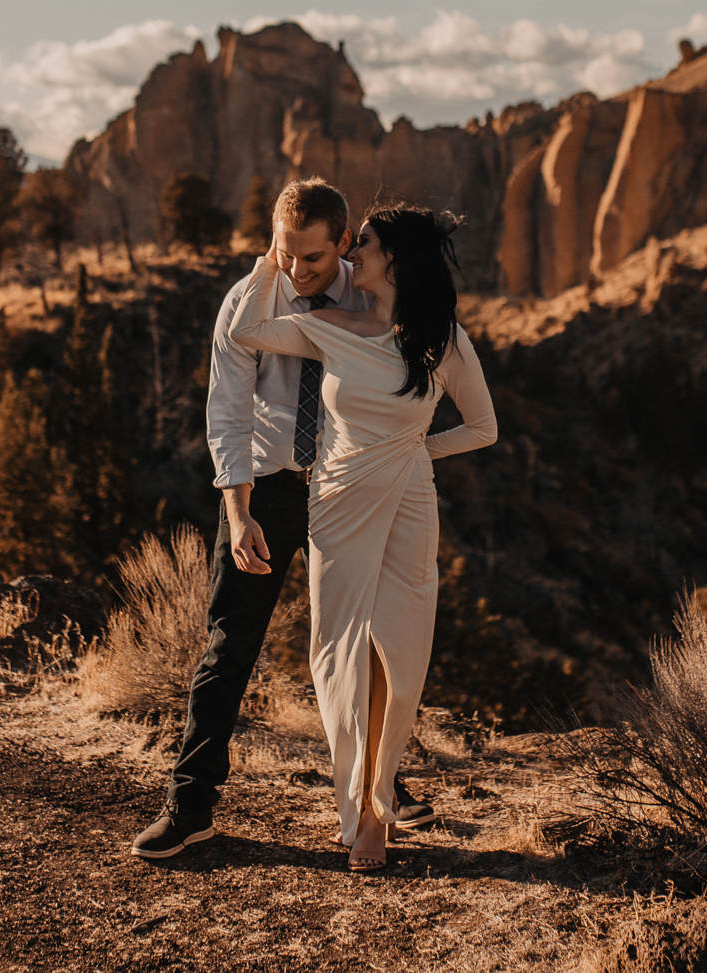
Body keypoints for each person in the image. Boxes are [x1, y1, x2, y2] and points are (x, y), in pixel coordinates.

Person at [131, 179, 439, 861]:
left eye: (315, 260)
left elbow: (423, 362)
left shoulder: (375, 293)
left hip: (347, 486)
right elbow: (228, 411)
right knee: (228, 645)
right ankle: (190, 807)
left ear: (344, 248)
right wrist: (238, 513)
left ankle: (383, 788)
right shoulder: (248, 301)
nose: (299, 272)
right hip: (266, 489)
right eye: (285, 254)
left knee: (363, 641)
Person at [229, 203, 497, 871]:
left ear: (393, 260)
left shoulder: (442, 340)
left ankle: (377, 809)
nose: (353, 257)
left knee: (399, 652)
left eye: (366, 245)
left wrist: (413, 451)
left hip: (408, 497)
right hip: (340, 499)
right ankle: (355, 799)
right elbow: (246, 329)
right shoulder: (330, 326)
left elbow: (483, 427)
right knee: (335, 652)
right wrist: (274, 255)